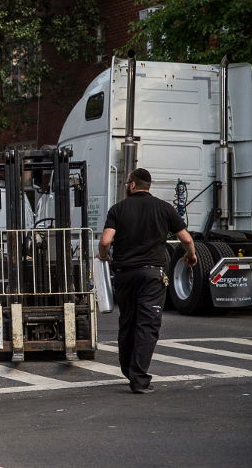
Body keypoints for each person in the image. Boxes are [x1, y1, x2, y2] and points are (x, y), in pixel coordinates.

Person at [98, 168, 197, 394]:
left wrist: (103, 257)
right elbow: (186, 239)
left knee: (128, 322)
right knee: (147, 325)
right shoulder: (165, 208)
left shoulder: (118, 209)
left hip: (125, 275)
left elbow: (105, 241)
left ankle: (128, 370)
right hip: (152, 276)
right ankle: (139, 378)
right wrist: (191, 256)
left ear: (132, 185)